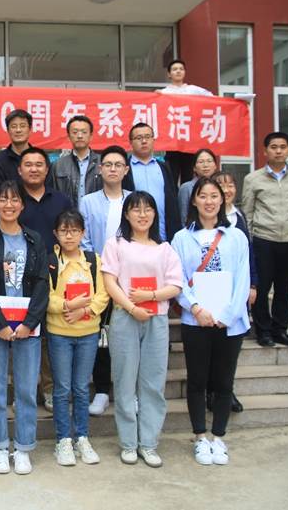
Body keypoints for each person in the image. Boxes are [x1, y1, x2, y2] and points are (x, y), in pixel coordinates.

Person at [171, 177, 250, 466]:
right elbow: (177, 278)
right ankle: (200, 437)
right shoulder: (181, 238)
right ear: (194, 200)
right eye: (203, 196)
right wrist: (195, 308)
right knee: (197, 380)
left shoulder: (236, 237)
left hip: (230, 322)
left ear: (223, 199)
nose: (209, 201)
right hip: (196, 321)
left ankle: (218, 437)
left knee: (224, 382)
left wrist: (229, 314)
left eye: (214, 196)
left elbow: (243, 278)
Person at [101, 191, 183, 468]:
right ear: (126, 214)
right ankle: (128, 443)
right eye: (136, 209)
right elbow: (110, 282)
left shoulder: (165, 248)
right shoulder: (116, 244)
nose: (142, 214)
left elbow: (175, 285)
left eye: (148, 209)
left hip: (156, 319)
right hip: (125, 317)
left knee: (152, 383)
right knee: (124, 382)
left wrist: (151, 297)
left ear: (155, 214)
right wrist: (131, 307)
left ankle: (148, 443)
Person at [0, 180, 49, 475]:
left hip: (28, 329)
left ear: (22, 204)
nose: (9, 204)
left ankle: (23, 447)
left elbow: (42, 282)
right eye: (3, 199)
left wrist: (30, 323)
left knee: (27, 391)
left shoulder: (34, 239)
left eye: (14, 199)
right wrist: (0, 324)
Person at [46, 209, 109, 466]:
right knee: (62, 389)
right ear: (56, 233)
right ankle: (63, 440)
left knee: (82, 389)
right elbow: (46, 296)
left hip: (88, 333)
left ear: (83, 233)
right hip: (59, 333)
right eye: (64, 231)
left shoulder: (94, 260)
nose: (69, 236)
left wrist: (84, 310)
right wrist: (66, 306)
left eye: (74, 231)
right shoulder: (51, 262)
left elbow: (103, 295)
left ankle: (82, 437)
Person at [242, 132, 288, 348]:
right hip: (263, 240)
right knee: (261, 288)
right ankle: (263, 331)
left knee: (284, 288)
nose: (278, 151)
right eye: (273, 147)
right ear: (265, 151)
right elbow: (248, 212)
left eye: (283, 147)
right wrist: (249, 242)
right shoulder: (253, 179)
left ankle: (280, 330)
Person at [16, 146, 72, 413]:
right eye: (28, 164)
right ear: (19, 170)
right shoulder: (12, 199)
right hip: (19, 276)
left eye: (39, 164)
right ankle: (22, 393)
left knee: (50, 336)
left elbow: (71, 233)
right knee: (21, 335)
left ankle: (50, 390)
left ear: (47, 170)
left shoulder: (61, 200)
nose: (34, 169)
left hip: (55, 275)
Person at [78, 144, 131, 416]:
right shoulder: (88, 202)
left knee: (127, 336)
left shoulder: (135, 200)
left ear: (126, 170)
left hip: (130, 281)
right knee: (101, 336)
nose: (112, 169)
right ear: (100, 169)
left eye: (118, 165)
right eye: (108, 164)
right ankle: (101, 391)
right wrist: (102, 271)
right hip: (98, 277)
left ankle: (127, 391)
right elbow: (84, 239)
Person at [212, 170, 259, 414]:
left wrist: (252, 284)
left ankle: (226, 390)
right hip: (212, 290)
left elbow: (248, 253)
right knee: (213, 345)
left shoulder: (238, 216)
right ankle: (213, 390)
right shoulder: (205, 219)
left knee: (231, 345)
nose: (227, 189)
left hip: (236, 290)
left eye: (230, 185)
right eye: (221, 185)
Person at [156, 59, 214, 185]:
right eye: (175, 69)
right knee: (171, 177)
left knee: (188, 177)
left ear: (185, 72)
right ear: (169, 74)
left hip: (189, 140)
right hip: (172, 141)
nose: (178, 71)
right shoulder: (163, 92)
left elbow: (213, 99)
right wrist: (156, 97)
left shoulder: (194, 90)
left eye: (181, 69)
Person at [122, 122, 181, 242]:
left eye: (147, 137)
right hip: (134, 238)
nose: (144, 141)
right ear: (130, 142)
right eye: (139, 138)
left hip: (164, 236)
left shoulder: (164, 168)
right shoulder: (125, 169)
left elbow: (173, 202)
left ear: (153, 140)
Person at [0, 109, 53, 190]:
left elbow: (48, 189)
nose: (18, 130)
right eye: (14, 126)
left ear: (30, 130)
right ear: (8, 130)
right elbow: (0, 192)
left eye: (22, 126)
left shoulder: (41, 157)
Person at [51, 115, 103, 205]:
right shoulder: (58, 165)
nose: (79, 136)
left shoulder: (102, 162)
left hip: (96, 212)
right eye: (75, 132)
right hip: (67, 212)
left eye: (84, 132)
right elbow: (53, 194)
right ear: (68, 136)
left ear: (91, 136)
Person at [178, 148, 218, 224]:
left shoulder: (219, 186)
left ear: (215, 166)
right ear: (194, 168)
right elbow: (183, 217)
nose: (205, 165)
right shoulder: (187, 188)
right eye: (201, 162)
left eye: (209, 161)